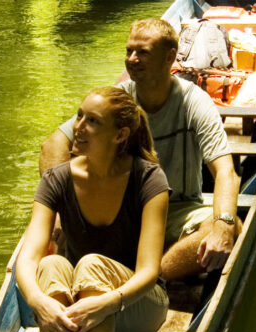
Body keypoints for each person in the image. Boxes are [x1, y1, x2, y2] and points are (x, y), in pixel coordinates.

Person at [16, 87, 170, 332]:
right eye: (79, 116)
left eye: (92, 121)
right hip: (82, 314)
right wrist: (39, 301)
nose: (78, 127)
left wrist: (104, 303)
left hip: (138, 308)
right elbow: (28, 256)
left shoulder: (149, 179)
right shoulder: (57, 178)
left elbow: (149, 271)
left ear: (119, 135)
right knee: (52, 264)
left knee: (89, 264)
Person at [41, 18, 242, 282]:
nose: (132, 59)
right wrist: (59, 210)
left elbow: (225, 170)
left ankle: (152, 278)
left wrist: (223, 224)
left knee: (232, 227)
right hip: (122, 209)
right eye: (128, 51)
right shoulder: (118, 102)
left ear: (170, 56)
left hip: (177, 209)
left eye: (143, 52)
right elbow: (53, 144)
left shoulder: (193, 101)